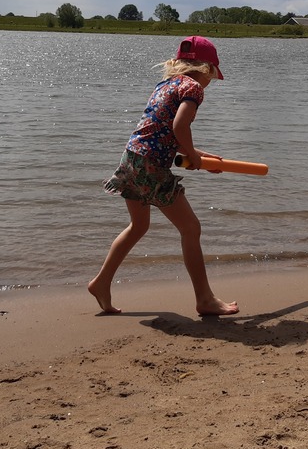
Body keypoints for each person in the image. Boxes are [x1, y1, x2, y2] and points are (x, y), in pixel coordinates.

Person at [88, 35, 239, 317]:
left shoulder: (166, 85)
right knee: (191, 228)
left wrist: (202, 157)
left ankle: (102, 282)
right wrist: (195, 157)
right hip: (152, 167)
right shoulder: (193, 87)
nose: (210, 83)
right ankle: (204, 299)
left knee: (138, 226)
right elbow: (180, 126)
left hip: (132, 157)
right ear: (206, 68)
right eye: (212, 76)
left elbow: (167, 133)